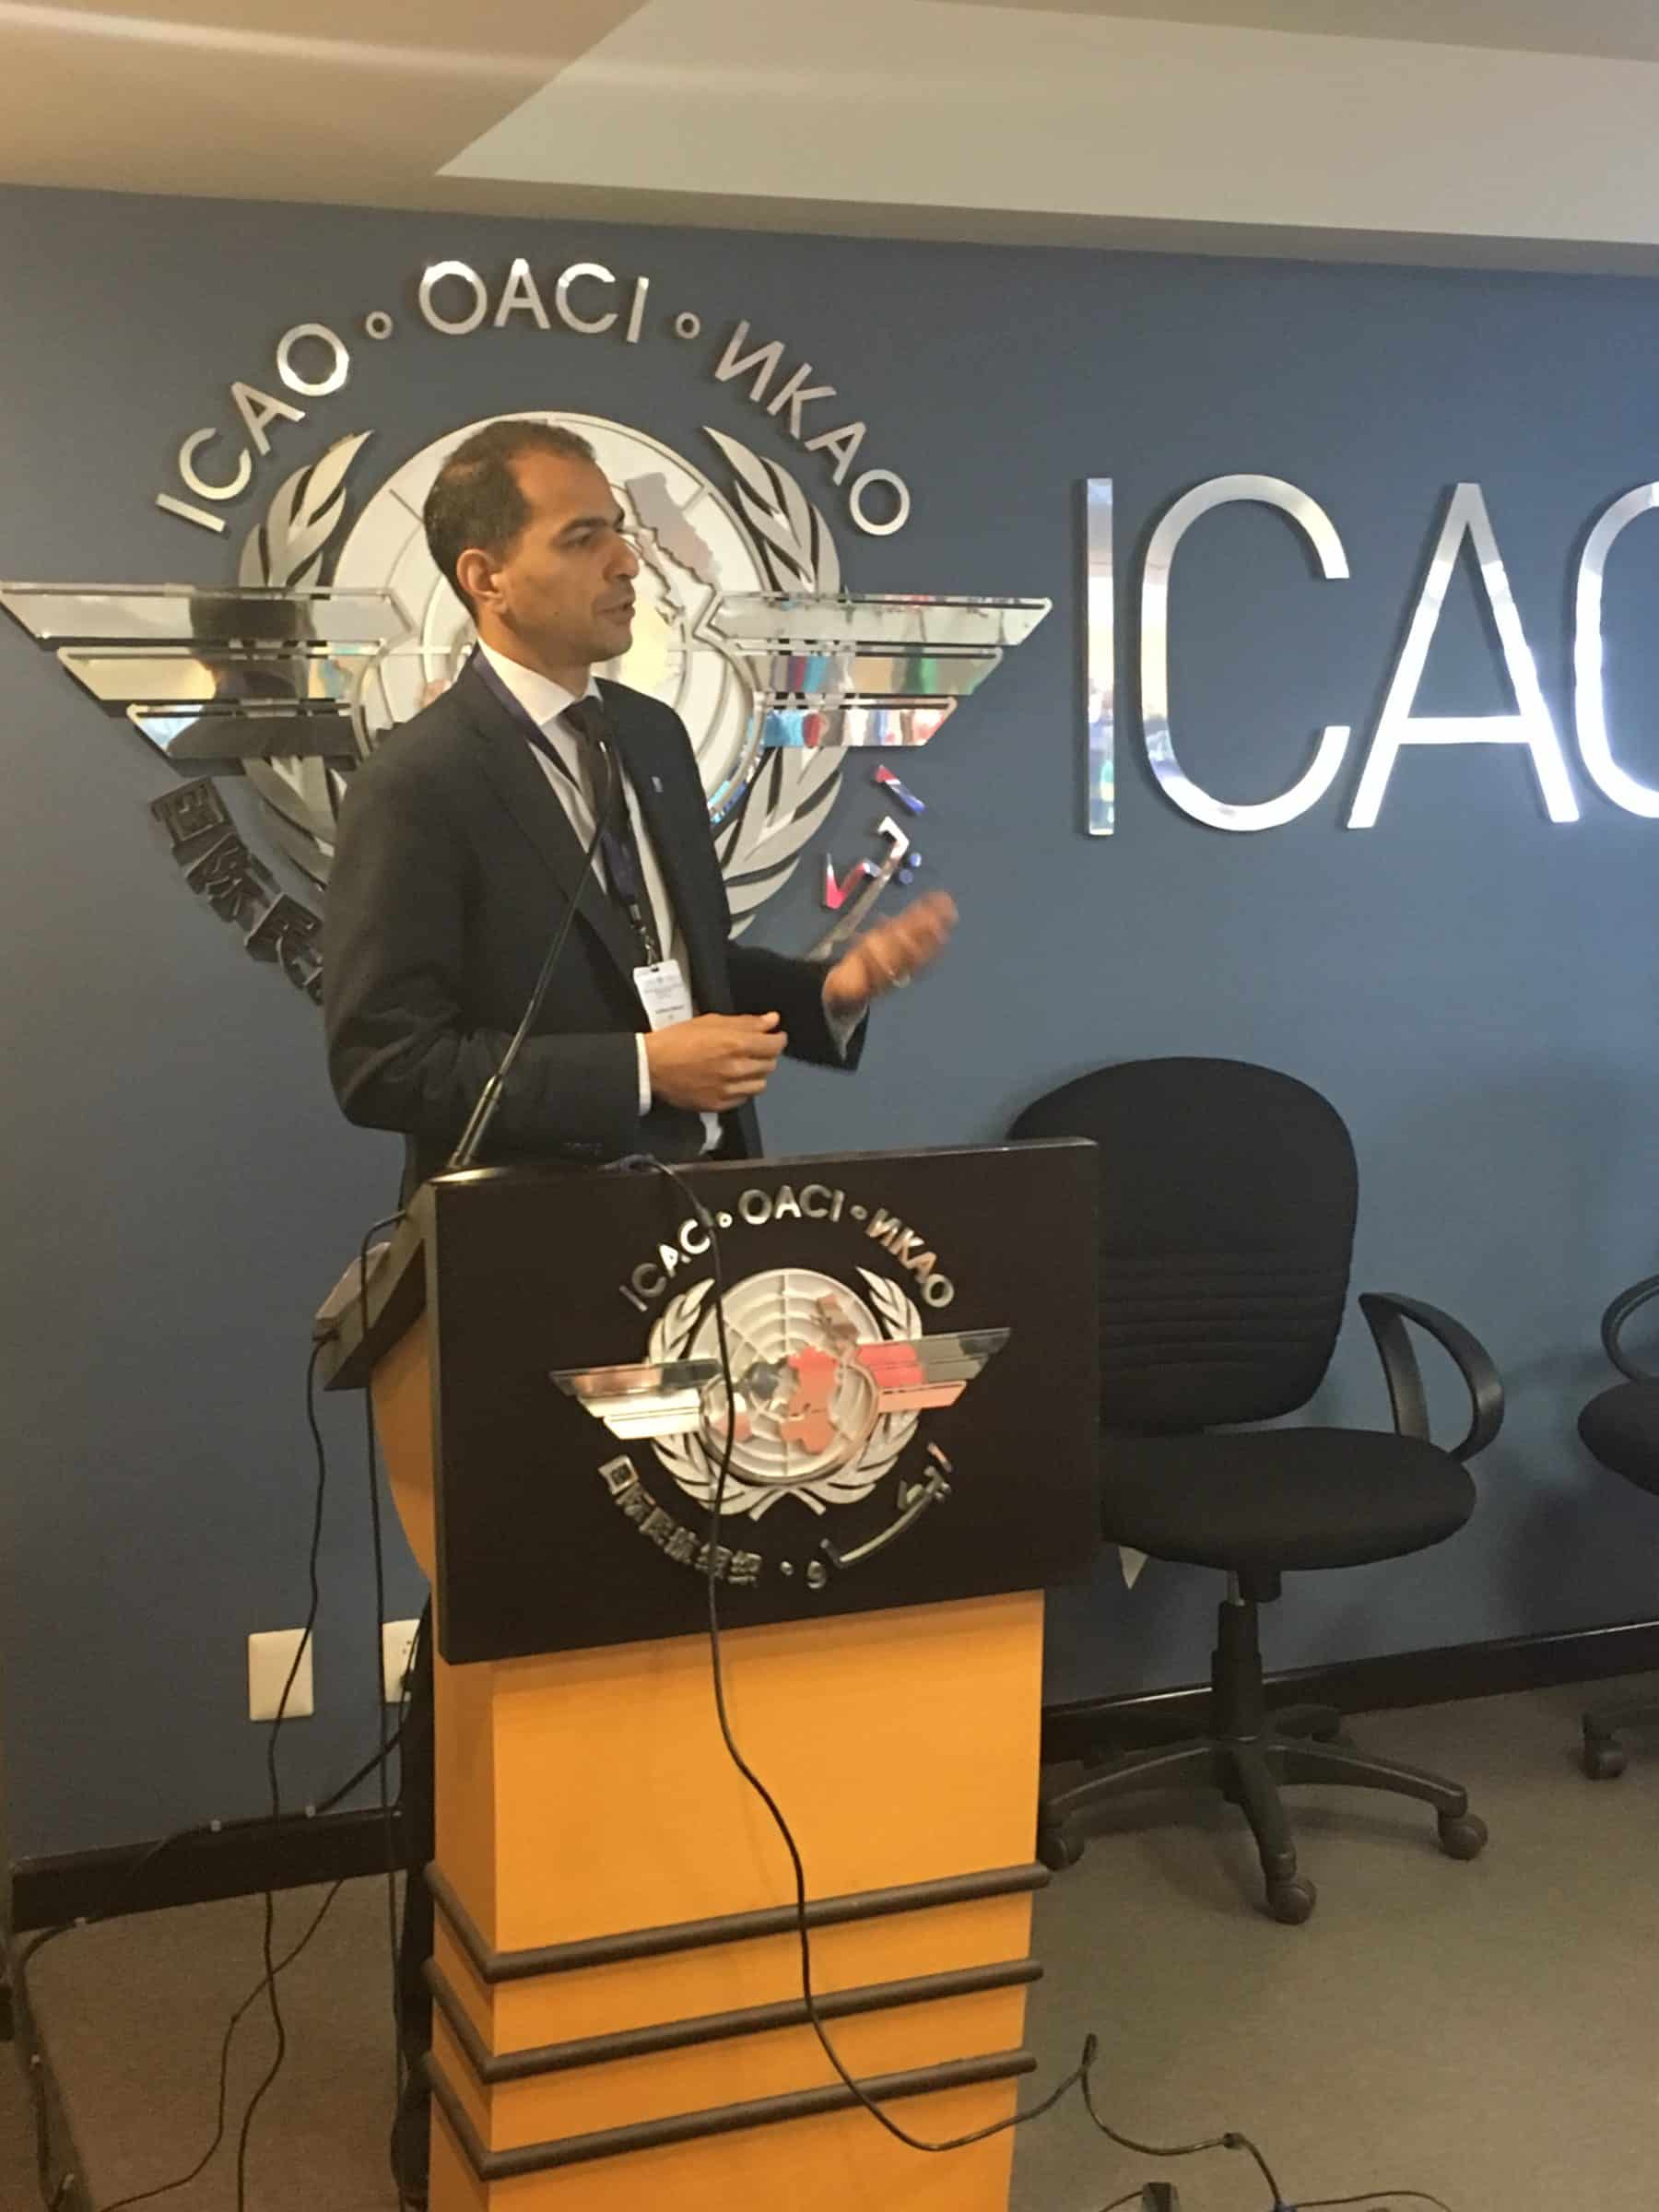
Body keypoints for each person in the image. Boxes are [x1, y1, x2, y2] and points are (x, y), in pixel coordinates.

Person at [320, 418, 955, 2204]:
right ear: (485, 575)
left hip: (708, 1262)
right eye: (587, 536)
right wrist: (631, 1076)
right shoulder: (422, 780)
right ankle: (459, 2052)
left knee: (683, 1657)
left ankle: (674, 2006)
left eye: (624, 533)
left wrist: (823, 991)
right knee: (526, 1660)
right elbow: (381, 1059)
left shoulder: (651, 740)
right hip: (525, 1279)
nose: (628, 563)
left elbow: (674, 962)